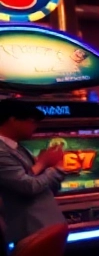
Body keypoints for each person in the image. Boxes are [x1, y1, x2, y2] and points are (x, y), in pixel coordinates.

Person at [0, 100, 66, 245]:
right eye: (33, 121)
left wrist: (53, 168)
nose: (35, 126)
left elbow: (40, 181)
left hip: (44, 227)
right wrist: (51, 167)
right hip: (29, 230)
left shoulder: (18, 148)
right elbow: (28, 186)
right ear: (13, 120)